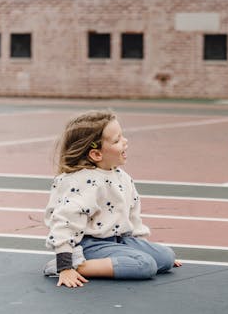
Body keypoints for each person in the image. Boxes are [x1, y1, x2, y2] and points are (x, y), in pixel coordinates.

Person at [43, 110, 181, 288]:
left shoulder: (122, 177)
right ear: (96, 154)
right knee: (145, 265)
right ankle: (77, 265)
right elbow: (65, 222)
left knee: (166, 258)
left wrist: (142, 246)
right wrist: (65, 265)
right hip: (90, 245)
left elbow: (132, 216)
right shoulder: (83, 182)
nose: (125, 142)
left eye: (122, 136)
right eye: (117, 140)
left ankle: (137, 258)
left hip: (118, 240)